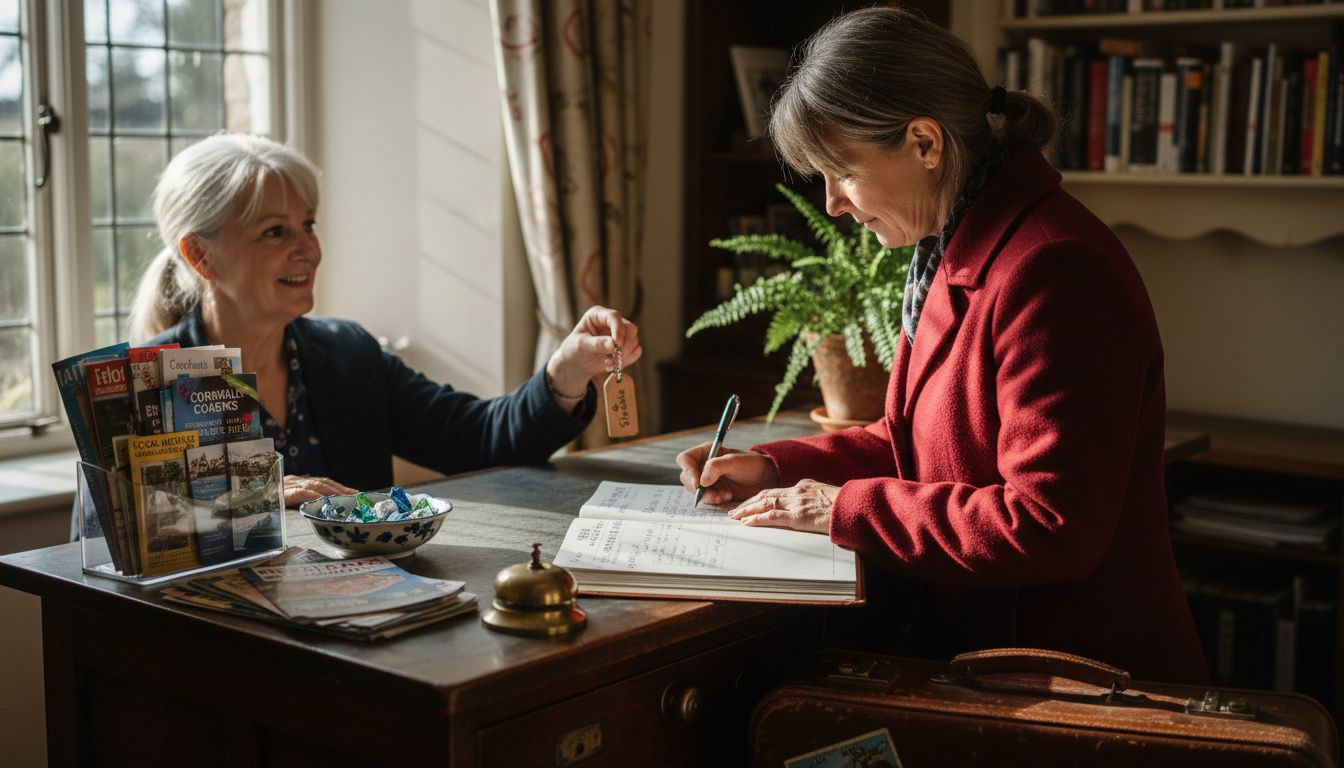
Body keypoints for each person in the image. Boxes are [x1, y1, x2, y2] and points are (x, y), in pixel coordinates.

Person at [676, 8, 1206, 683]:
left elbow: (1048, 523)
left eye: (842, 171)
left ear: (925, 143)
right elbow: (914, 446)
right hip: (993, 657)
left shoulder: (1054, 268)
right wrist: (774, 468)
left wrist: (841, 508)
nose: (833, 203)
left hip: (1074, 680)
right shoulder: (953, 249)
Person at [127, 133, 641, 507]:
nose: (309, 249)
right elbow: (122, 538)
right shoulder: (149, 384)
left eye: (308, 225)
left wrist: (565, 373)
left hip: (362, 616)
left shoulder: (347, 355)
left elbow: (480, 440)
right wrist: (250, 497)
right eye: (275, 232)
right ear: (200, 256)